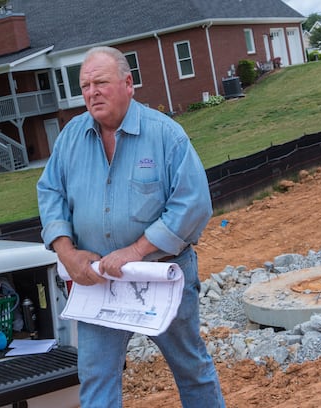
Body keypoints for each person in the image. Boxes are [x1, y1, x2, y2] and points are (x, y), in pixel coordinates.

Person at [36, 46, 225, 407]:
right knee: (96, 376)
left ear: (128, 84)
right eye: (85, 85)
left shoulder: (166, 136)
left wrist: (135, 251)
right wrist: (67, 252)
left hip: (159, 276)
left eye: (101, 82)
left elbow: (193, 204)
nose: (92, 92)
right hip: (97, 280)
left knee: (191, 369)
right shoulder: (71, 138)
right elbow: (49, 192)